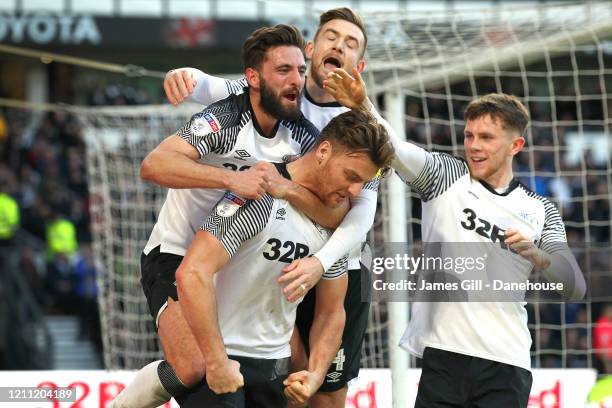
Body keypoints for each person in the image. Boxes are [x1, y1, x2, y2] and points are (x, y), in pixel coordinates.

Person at [163, 8, 399, 406]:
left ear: (358, 66)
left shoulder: (363, 130)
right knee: (278, 374)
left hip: (336, 259)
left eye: (351, 43)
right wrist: (183, 74)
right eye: (332, 37)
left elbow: (358, 219)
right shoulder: (282, 90)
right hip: (274, 246)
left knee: (323, 395)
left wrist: (320, 262)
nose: (339, 45)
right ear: (311, 49)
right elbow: (216, 87)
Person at [325, 77, 587, 407]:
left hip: (506, 364)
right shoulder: (445, 176)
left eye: (486, 138)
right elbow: (394, 147)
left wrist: (538, 255)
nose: (474, 145)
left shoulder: (539, 208)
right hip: (444, 359)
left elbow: (574, 286)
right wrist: (364, 103)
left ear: (515, 146)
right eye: (469, 135)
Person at [110, 24, 329, 408]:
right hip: (177, 252)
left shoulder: (303, 136)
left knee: (283, 367)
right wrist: (232, 178)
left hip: (237, 261)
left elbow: (334, 197)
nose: (296, 80)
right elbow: (154, 165)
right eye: (283, 70)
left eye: (300, 70)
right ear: (253, 78)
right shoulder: (225, 119)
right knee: (195, 367)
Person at [177, 110, 394, 407]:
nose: (355, 191)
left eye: (363, 183)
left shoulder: (337, 229)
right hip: (222, 356)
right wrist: (216, 361)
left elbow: (331, 312)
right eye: (351, 176)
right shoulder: (259, 192)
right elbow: (192, 273)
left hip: (274, 367)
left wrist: (315, 374)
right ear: (324, 152)